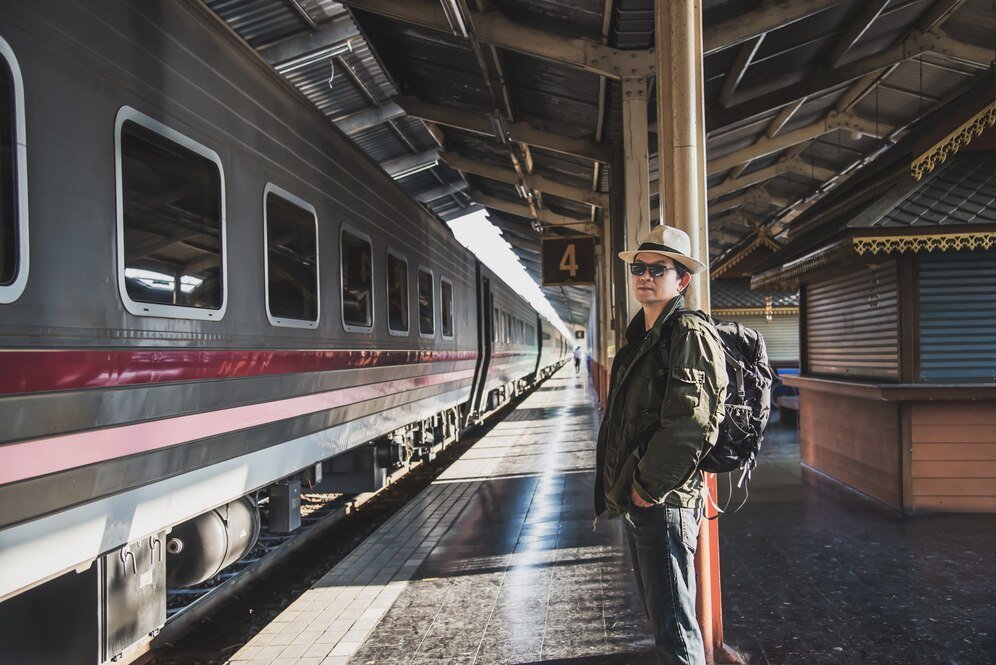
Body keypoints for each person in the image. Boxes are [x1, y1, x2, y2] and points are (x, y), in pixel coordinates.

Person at [594, 224, 728, 665]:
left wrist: (644, 489)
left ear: (682, 280)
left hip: (664, 501)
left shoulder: (687, 333)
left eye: (658, 269)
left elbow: (691, 423)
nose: (645, 275)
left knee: (674, 628)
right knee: (665, 621)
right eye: (638, 267)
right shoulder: (643, 338)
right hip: (649, 500)